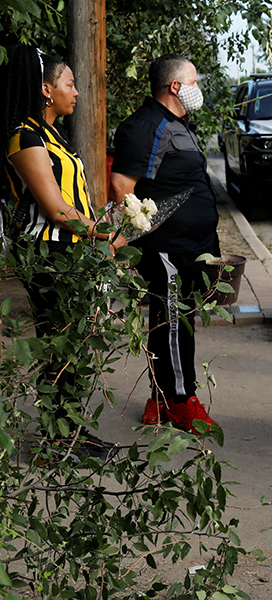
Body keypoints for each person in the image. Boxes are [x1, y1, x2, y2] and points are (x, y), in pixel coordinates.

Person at [1, 44, 126, 457]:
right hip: (48, 257)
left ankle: (70, 432)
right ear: (45, 90)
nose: (76, 91)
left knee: (75, 341)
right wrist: (103, 235)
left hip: (73, 255)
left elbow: (74, 200)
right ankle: (60, 438)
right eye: (69, 84)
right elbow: (55, 209)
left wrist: (101, 233)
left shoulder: (52, 135)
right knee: (60, 342)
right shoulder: (24, 136)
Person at [109, 54, 219, 435]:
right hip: (167, 247)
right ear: (176, 87)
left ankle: (159, 397)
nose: (198, 89)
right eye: (194, 82)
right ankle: (180, 400)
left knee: (170, 321)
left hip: (192, 245)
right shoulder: (145, 126)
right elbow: (123, 188)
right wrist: (131, 239)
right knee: (174, 322)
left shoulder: (177, 124)